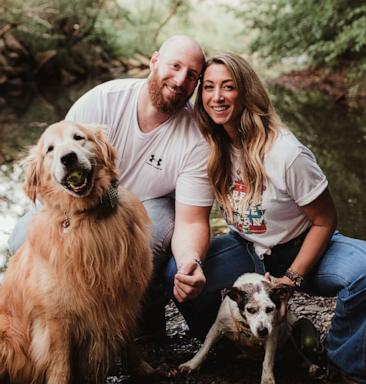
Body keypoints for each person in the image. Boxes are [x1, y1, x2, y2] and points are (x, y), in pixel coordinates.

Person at [166, 52, 366, 384]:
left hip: (303, 247)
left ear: (247, 92)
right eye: (208, 87)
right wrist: (190, 263)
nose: (216, 97)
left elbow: (325, 220)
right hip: (247, 248)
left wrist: (292, 278)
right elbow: (193, 219)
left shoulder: (285, 152)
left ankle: (341, 362)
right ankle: (237, 345)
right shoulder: (210, 146)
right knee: (178, 271)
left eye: (228, 87)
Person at [8, 35, 214, 338]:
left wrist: (190, 263)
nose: (181, 79)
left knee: (142, 240)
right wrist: (61, 227)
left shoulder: (196, 137)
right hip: (82, 200)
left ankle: (137, 314)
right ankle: (52, 315)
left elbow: (192, 220)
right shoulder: (103, 100)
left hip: (148, 206)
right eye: (175, 66)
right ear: (154, 61)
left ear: (196, 83)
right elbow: (54, 168)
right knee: (21, 240)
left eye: (192, 75)